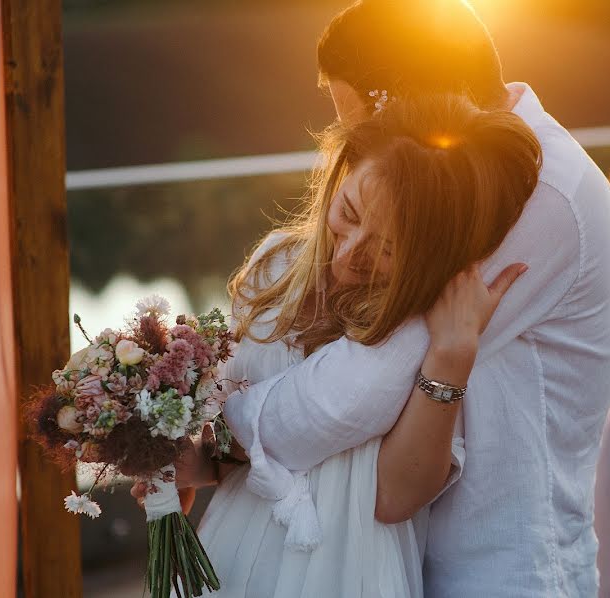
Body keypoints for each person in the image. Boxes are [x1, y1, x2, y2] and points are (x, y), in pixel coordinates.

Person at [210, 1, 610, 596]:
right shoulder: (456, 178)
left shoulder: (531, 190)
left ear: (417, 107)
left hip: (503, 565)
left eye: (358, 125)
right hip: (415, 553)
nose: (358, 148)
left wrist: (219, 435)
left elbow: (360, 385)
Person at [177, 92, 542, 596]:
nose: (349, 255)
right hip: (235, 549)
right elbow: (235, 432)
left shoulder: (420, 326)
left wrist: (452, 357)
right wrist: (190, 457)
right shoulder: (275, 262)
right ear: (341, 169)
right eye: (347, 212)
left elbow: (395, 496)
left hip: (351, 570)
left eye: (388, 248)